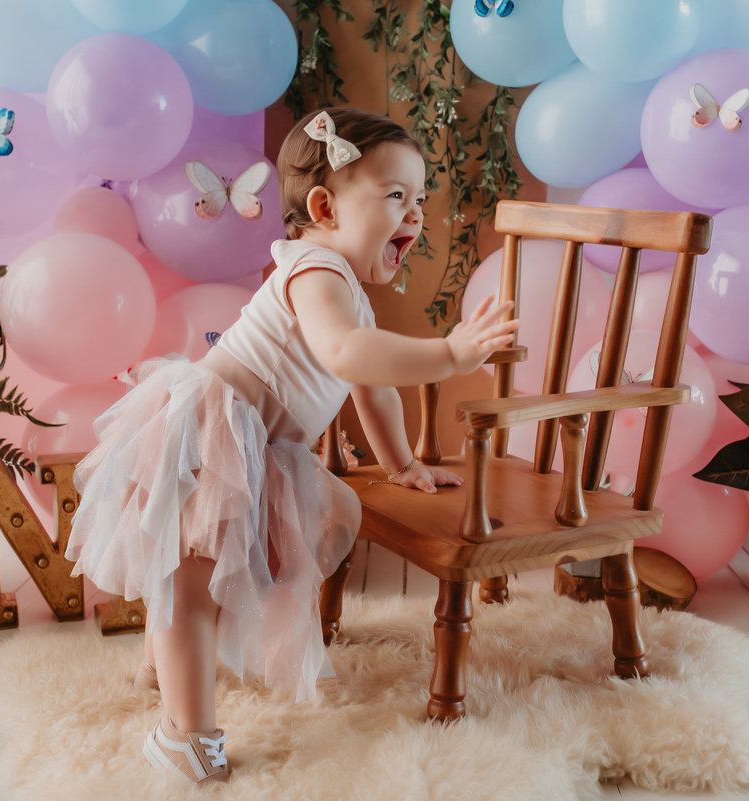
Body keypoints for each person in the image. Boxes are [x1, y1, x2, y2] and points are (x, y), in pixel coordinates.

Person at [67, 107, 520, 786]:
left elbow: (372, 389)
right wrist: (450, 353)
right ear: (324, 208)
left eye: (421, 199)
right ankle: (187, 737)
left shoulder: (348, 291)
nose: (416, 214)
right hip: (212, 431)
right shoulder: (315, 271)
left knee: (209, 568)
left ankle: (162, 665)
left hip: (258, 445)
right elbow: (346, 353)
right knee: (193, 581)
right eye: (396, 196)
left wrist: (402, 463)